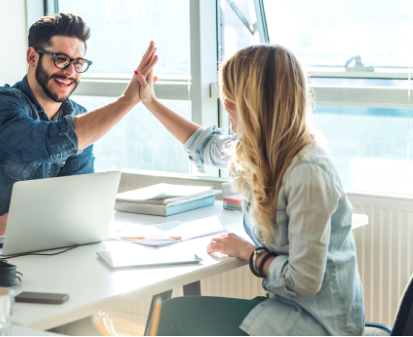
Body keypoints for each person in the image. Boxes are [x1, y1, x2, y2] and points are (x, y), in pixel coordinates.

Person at [133, 44, 364, 335]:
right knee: (170, 314)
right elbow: (206, 145)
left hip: (319, 324)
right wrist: (151, 102)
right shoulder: (260, 152)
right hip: (288, 309)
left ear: (256, 103)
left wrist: (249, 253)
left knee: (170, 318)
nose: (225, 104)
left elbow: (305, 280)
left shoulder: (308, 170)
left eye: (231, 96)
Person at [0, 13, 159, 245]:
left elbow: (75, 197)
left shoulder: (80, 119)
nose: (70, 72)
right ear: (32, 57)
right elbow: (45, 143)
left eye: (78, 63)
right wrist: (126, 101)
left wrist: (15, 219)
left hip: (32, 252)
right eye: (61, 59)